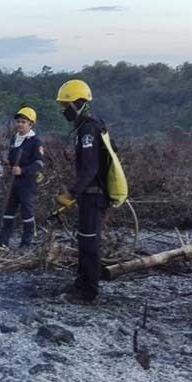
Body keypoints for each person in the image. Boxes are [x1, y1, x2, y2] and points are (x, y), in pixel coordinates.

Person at [54, 79, 109, 304]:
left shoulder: (88, 130)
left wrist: (71, 194)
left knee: (89, 242)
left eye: (65, 106)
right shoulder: (92, 125)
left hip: (93, 195)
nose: (63, 111)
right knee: (84, 239)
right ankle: (82, 281)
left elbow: (89, 169)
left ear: (77, 104)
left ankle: (88, 292)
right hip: (91, 194)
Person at [0, 107, 45, 249]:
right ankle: (3, 242)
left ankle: (25, 244)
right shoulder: (14, 139)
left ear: (31, 124)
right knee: (8, 212)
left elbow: (39, 163)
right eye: (18, 121)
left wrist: (22, 170)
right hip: (13, 182)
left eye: (23, 122)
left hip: (28, 184)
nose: (20, 124)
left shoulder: (36, 142)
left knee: (27, 213)